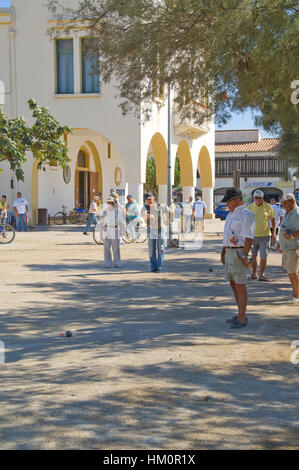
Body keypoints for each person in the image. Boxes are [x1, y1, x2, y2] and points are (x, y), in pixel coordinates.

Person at [220, 188, 255, 328]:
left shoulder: (247, 215)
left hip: (239, 252)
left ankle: (242, 317)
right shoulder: (231, 215)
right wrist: (223, 252)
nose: (227, 204)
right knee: (233, 284)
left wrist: (244, 255)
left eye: (229, 201)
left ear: (237, 200)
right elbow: (227, 235)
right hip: (229, 251)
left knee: (240, 285)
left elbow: (249, 238)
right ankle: (240, 313)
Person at [247, 190, 276, 281]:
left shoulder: (268, 207)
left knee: (263, 256)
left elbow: (273, 221)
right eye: (256, 198)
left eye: (260, 198)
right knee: (253, 256)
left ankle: (262, 275)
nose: (258, 199)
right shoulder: (250, 207)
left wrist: (274, 234)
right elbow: (246, 222)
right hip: (252, 236)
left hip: (265, 236)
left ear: (263, 198)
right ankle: (253, 274)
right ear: (254, 198)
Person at [277, 193, 299, 304]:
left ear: (292, 201)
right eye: (283, 203)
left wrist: (291, 236)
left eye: (285, 203)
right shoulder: (289, 212)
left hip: (293, 248)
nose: (283, 205)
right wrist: (279, 243)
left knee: (293, 273)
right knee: (291, 273)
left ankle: (297, 296)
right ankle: (295, 293)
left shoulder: (297, 213)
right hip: (287, 247)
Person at [141, 193, 169, 273]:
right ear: (145, 201)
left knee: (160, 248)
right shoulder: (145, 207)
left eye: (150, 199)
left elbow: (168, 211)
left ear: (154, 199)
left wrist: (168, 220)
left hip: (161, 228)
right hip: (151, 229)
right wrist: (149, 215)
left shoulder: (161, 205)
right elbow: (143, 215)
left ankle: (159, 266)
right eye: (147, 200)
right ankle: (153, 267)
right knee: (151, 249)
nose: (149, 201)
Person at [99, 196, 125, 268]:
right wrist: (100, 234)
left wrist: (122, 232)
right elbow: (101, 223)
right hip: (106, 229)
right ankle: (108, 263)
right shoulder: (104, 211)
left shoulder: (118, 211)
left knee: (116, 247)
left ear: (114, 203)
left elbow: (122, 222)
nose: (110, 204)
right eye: (108, 202)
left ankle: (118, 262)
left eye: (111, 202)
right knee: (106, 247)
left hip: (115, 229)